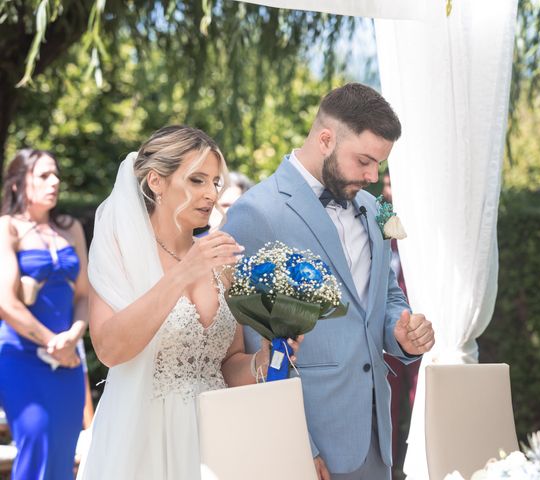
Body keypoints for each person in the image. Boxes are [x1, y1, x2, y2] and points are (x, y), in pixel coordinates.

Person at [224, 83, 435, 480]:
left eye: (379, 164)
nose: (373, 176)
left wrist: (401, 330)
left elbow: (383, 295)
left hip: (375, 436)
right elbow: (254, 350)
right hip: (310, 442)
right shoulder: (257, 213)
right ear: (325, 139)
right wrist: (298, 444)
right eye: (364, 161)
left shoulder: (374, 210)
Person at [77, 125, 300, 479]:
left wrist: (261, 362)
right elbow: (108, 349)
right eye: (197, 180)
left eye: (215, 182)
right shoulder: (120, 250)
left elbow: (227, 363)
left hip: (216, 436)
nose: (211, 193)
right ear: (156, 182)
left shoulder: (221, 259)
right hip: (145, 438)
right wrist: (183, 273)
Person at [0, 149, 89, 479]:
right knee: (35, 440)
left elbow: (84, 296)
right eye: (43, 176)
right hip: (21, 358)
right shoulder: (6, 228)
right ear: (17, 183)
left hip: (68, 360)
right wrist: (55, 343)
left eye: (56, 175)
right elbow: (6, 304)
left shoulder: (71, 229)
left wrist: (74, 337)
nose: (55, 182)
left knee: (65, 449)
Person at [381, 171, 420, 479]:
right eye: (386, 182)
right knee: (388, 400)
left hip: (417, 326)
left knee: (417, 395)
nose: (388, 189)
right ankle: (390, 466)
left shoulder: (421, 227)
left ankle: (419, 461)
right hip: (387, 331)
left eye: (394, 183)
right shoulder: (380, 223)